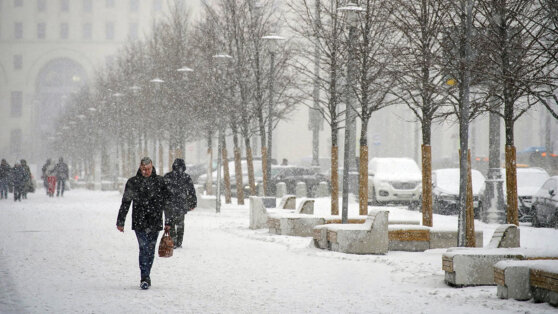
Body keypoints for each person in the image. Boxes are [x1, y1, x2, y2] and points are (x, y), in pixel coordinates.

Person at [116, 157, 171, 290]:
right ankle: (144, 277)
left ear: (152, 167)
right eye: (143, 169)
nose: (146, 172)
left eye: (148, 169)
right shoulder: (133, 182)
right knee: (143, 248)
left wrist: (169, 221)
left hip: (155, 220)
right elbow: (126, 202)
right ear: (140, 168)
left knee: (150, 250)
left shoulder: (160, 182)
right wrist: (120, 220)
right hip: (139, 221)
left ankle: (147, 274)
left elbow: (167, 203)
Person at [163, 158, 197, 249]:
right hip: (180, 204)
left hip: (169, 204)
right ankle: (178, 242)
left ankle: (173, 241)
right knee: (180, 224)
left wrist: (162, 202)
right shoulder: (186, 177)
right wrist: (193, 203)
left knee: (171, 224)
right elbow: (191, 191)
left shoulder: (167, 176)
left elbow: (162, 191)